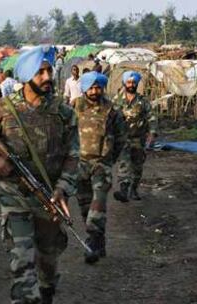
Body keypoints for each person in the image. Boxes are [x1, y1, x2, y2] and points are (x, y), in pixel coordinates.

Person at [0, 46, 79, 304]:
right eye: (40, 72)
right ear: (26, 75)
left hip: (49, 198)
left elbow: (74, 156)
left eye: (49, 70)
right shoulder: (2, 109)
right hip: (15, 197)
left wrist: (62, 188)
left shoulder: (63, 113)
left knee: (48, 261)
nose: (47, 77)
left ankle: (47, 289)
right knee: (22, 260)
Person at [73, 71, 126, 264]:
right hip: (80, 164)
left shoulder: (112, 110)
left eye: (98, 87)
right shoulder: (75, 106)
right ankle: (100, 240)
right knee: (85, 206)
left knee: (98, 204)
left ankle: (92, 242)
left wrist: (110, 158)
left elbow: (121, 137)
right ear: (85, 88)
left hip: (101, 165)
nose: (95, 91)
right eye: (91, 87)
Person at [113, 71, 158, 202]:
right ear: (124, 83)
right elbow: (111, 118)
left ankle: (133, 189)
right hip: (122, 138)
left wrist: (152, 133)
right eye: (129, 82)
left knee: (137, 167)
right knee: (124, 163)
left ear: (137, 84)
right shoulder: (117, 100)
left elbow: (152, 117)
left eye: (133, 82)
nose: (131, 85)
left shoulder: (143, 101)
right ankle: (123, 190)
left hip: (139, 139)